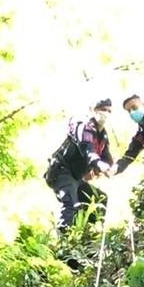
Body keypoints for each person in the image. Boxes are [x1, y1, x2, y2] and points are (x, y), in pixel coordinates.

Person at [44, 98, 114, 231]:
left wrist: (112, 167)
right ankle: (64, 244)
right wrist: (98, 163)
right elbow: (88, 149)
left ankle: (87, 238)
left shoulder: (102, 136)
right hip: (61, 172)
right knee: (71, 203)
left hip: (77, 178)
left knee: (99, 199)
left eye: (109, 111)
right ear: (93, 110)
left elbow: (106, 157)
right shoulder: (84, 127)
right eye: (102, 110)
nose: (106, 113)